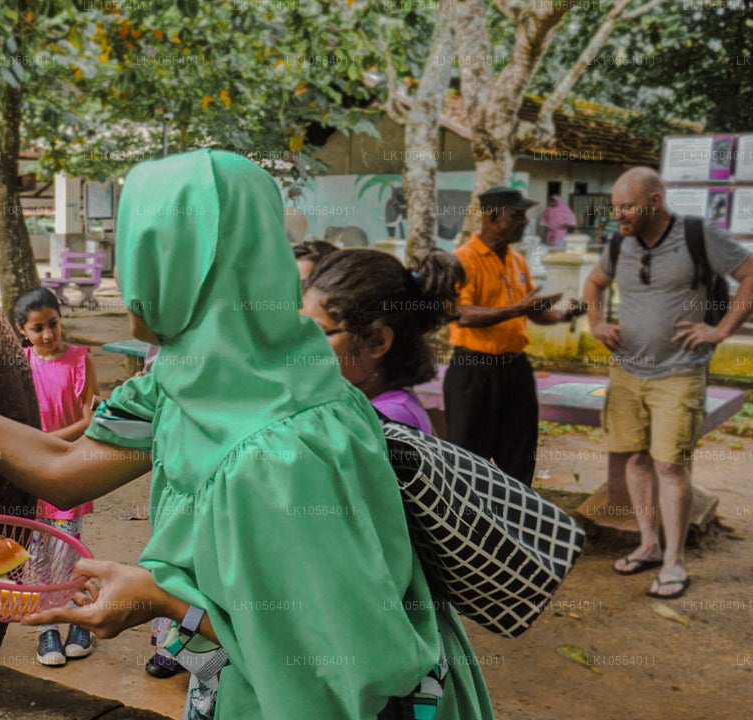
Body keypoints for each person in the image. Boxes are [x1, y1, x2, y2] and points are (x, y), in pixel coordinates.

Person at [0, 149, 487, 719]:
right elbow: (61, 462)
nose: (122, 269)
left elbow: (343, 655)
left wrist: (161, 600)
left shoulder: (284, 451)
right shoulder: (182, 379)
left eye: (133, 247)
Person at [300, 247, 493, 716]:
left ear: (379, 342)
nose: (296, 347)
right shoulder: (372, 411)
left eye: (316, 334)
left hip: (386, 651)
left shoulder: (386, 428)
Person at [583, 167, 753, 599]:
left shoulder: (698, 234)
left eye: (627, 207)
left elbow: (750, 274)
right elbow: (594, 281)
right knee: (636, 460)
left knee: (670, 465)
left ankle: (675, 563)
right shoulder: (620, 241)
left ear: (654, 203)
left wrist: (720, 331)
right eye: (615, 206)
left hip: (678, 373)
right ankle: (649, 545)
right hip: (627, 371)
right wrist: (597, 321)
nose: (618, 214)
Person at [445, 186, 584, 486]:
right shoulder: (462, 260)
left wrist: (561, 315)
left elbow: (529, 311)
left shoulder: (517, 260)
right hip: (473, 373)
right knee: (469, 459)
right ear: (494, 216)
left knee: (519, 455)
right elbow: (461, 314)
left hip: (515, 371)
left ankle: (517, 523)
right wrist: (517, 308)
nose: (525, 223)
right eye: (517, 216)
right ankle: (472, 524)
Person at [13, 287, 99, 664]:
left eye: (53, 324)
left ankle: (80, 619)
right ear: (22, 330)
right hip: (31, 474)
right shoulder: (19, 364)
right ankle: (48, 629)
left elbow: (86, 420)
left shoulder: (81, 358)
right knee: (36, 556)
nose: (48, 335)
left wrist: (42, 442)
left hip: (70, 470)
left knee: (69, 551)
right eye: (37, 328)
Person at [301, 248, 463, 435]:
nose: (303, 345)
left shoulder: (391, 420)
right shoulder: (357, 405)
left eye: (319, 332)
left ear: (377, 341)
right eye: (301, 330)